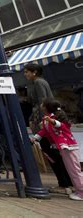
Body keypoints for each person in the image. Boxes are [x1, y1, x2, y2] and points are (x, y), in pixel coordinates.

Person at [24, 63, 72, 193]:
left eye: (27, 71)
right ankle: (66, 182)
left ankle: (64, 183)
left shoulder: (39, 83)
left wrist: (42, 121)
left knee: (52, 154)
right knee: (54, 154)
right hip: (46, 122)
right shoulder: (40, 82)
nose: (25, 74)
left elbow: (42, 102)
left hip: (44, 124)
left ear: (34, 72)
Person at [31, 99, 83, 201]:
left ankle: (81, 192)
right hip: (63, 147)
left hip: (68, 146)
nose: (41, 106)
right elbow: (44, 131)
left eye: (43, 104)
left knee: (74, 170)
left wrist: (53, 122)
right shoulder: (48, 119)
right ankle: (79, 190)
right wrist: (35, 138)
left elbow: (62, 126)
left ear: (46, 107)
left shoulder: (54, 118)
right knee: (72, 170)